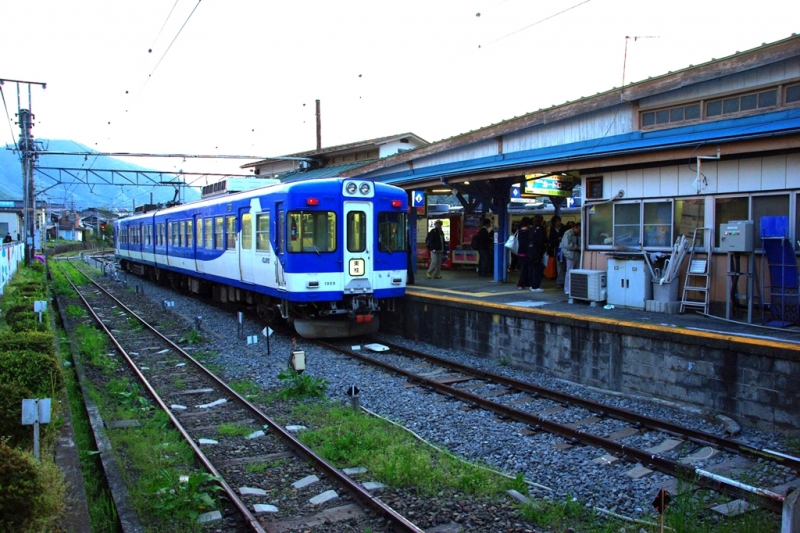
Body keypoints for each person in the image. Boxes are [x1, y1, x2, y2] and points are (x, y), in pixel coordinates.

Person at [561, 221, 581, 296]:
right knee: (569, 271)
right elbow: (567, 245)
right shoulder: (568, 233)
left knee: (576, 271)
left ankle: (574, 288)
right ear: (575, 228)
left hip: (576, 254)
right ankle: (567, 289)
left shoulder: (578, 234)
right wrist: (578, 247)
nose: (579, 231)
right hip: (570, 255)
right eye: (578, 229)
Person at [528, 214, 547, 292]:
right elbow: (541, 241)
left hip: (531, 251)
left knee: (532, 269)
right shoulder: (540, 229)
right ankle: (536, 286)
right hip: (538, 252)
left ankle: (532, 285)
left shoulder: (531, 229)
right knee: (538, 269)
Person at [548, 216, 567, 288]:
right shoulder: (552, 229)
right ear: (554, 223)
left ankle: (566, 281)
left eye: (559, 221)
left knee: (566, 265)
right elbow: (551, 240)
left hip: (565, 248)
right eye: (557, 221)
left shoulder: (564, 228)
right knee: (559, 265)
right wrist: (557, 239)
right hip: (557, 250)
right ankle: (560, 281)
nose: (559, 222)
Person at [515, 217, 532, 289]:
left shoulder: (519, 231)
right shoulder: (528, 232)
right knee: (525, 269)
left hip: (520, 252)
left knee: (523, 269)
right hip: (526, 252)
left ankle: (524, 283)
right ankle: (521, 283)